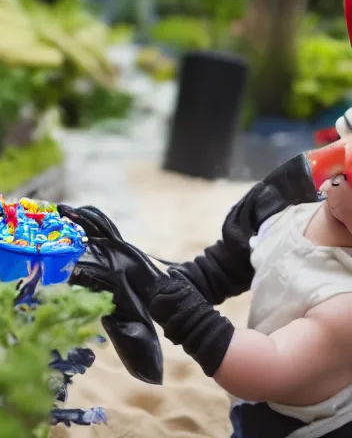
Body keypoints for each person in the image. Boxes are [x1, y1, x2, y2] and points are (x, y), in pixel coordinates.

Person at [60, 113, 352, 437]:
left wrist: (189, 317)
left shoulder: (344, 308)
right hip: (262, 407)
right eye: (342, 138)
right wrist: (159, 282)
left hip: (302, 427)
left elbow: (267, 367)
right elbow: (226, 267)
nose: (331, 164)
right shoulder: (302, 211)